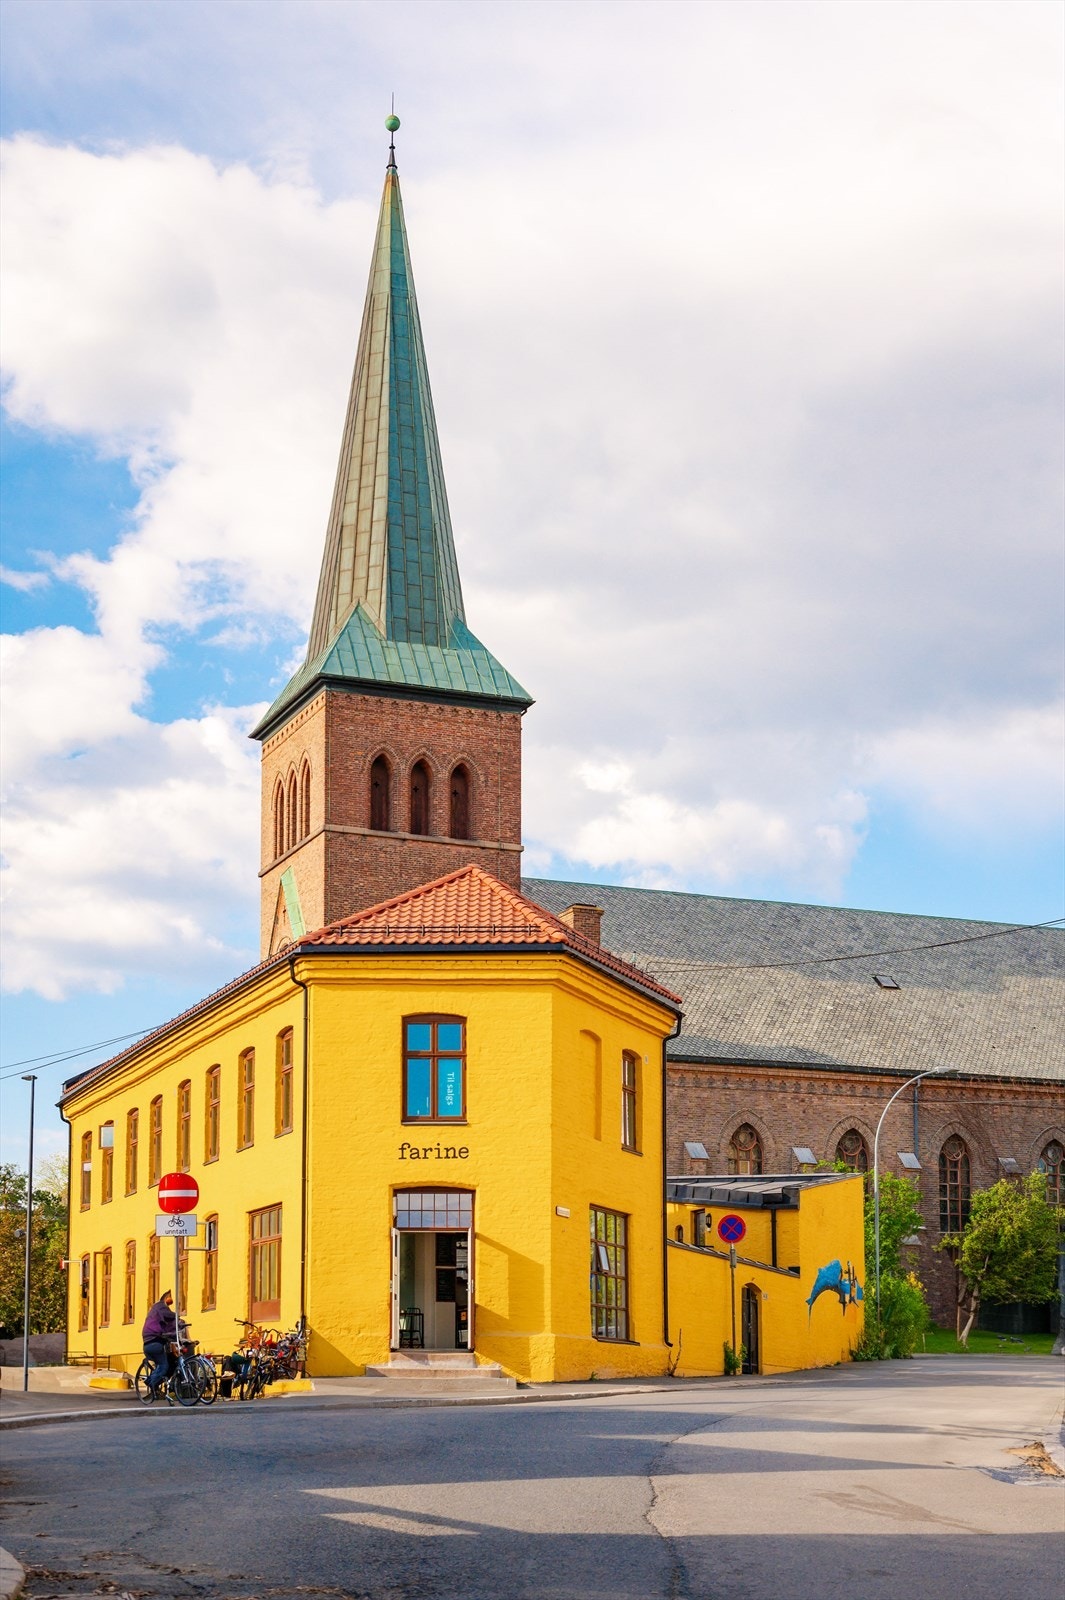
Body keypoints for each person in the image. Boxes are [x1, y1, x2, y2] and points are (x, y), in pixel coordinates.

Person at [142, 1290, 178, 1397]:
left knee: (165, 1364)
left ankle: (155, 1385)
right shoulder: (161, 1307)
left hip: (148, 1342)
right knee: (164, 1365)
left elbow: (168, 1326)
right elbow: (170, 1318)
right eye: (170, 1297)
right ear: (166, 1298)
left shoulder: (154, 1311)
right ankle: (151, 1382)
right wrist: (178, 1317)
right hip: (154, 1341)